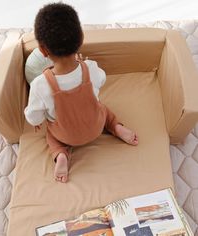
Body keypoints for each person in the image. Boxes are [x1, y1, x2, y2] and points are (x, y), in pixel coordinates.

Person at [24, 2, 138, 183]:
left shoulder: (40, 84)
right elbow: (102, 80)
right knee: (103, 109)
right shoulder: (90, 68)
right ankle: (116, 127)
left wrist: (38, 120)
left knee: (50, 134)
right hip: (95, 126)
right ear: (81, 37)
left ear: (43, 50)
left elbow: (33, 117)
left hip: (66, 135)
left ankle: (60, 154)